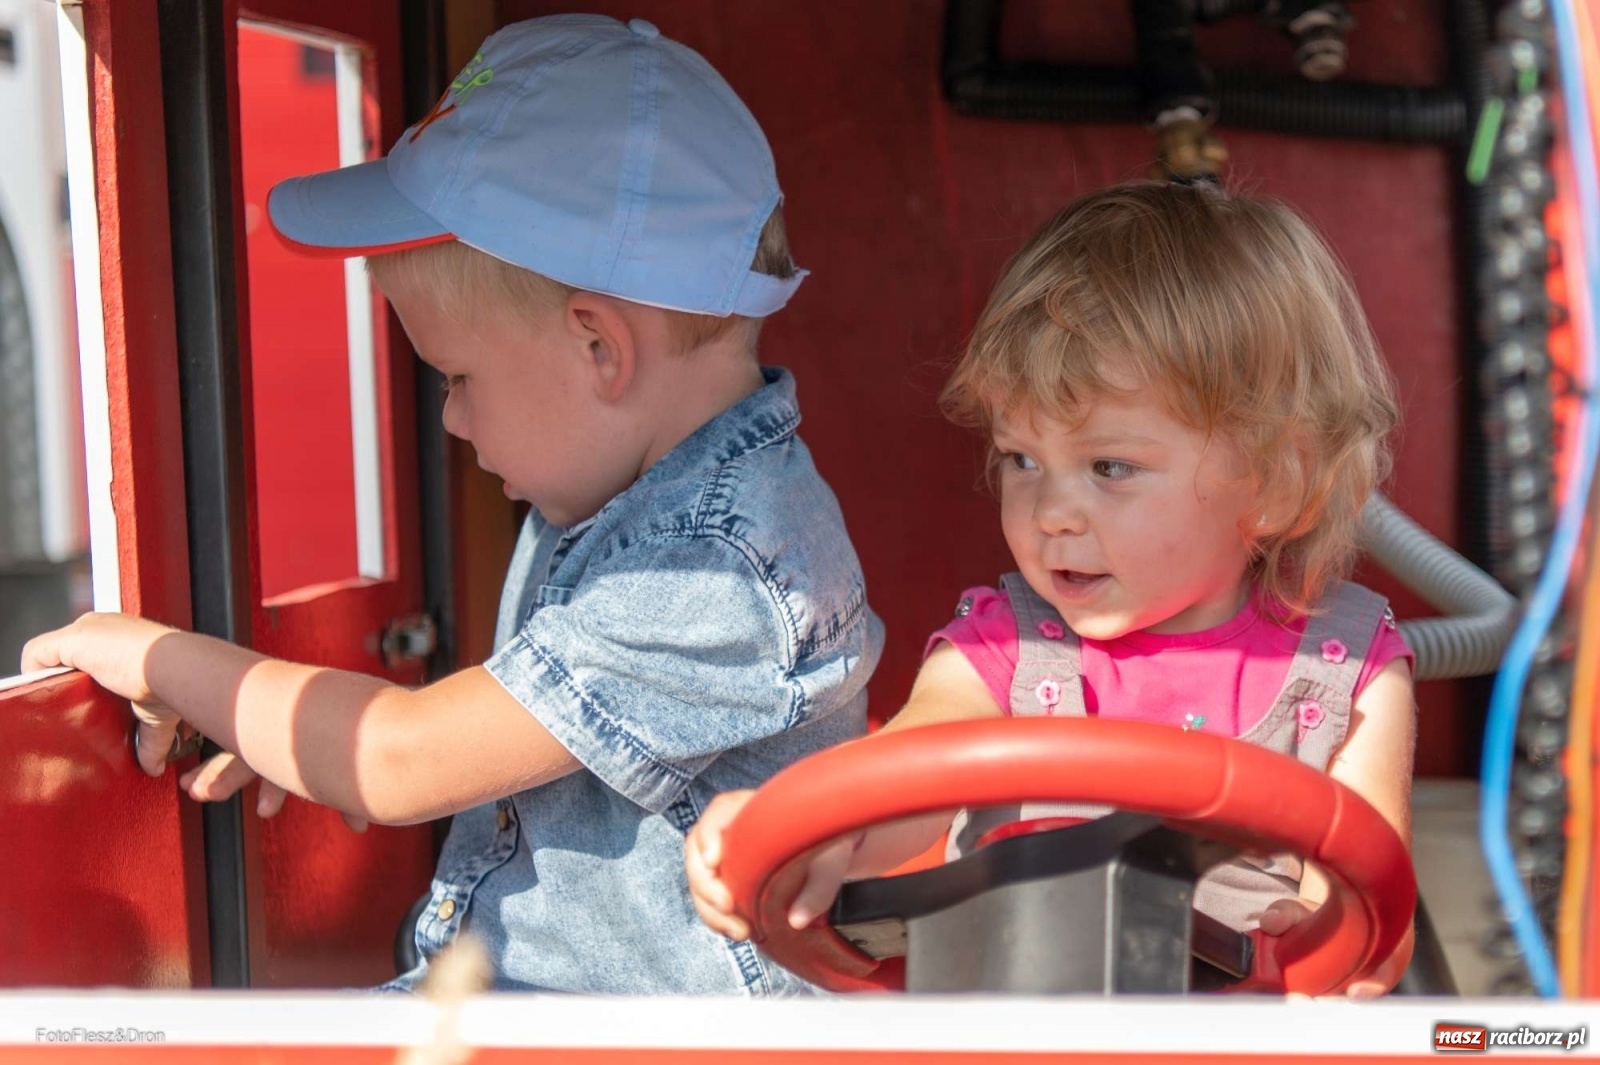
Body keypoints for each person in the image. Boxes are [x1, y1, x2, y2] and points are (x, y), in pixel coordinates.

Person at [23, 14, 883, 996]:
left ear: (599, 350)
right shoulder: (614, 497)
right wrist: (278, 733)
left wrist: (161, 660)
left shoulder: (718, 564)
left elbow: (396, 759)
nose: (452, 420)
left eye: (455, 376)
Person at [686, 180, 1417, 996]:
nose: (1052, 513)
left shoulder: (1349, 668)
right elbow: (903, 780)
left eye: (1111, 467)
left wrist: (1329, 947)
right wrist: (805, 828)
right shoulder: (1004, 645)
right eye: (1021, 459)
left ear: (1278, 484)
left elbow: (1368, 897)